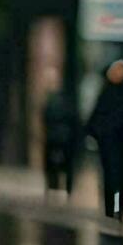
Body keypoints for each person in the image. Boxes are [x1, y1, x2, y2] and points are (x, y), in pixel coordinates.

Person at [85, 59, 123, 220]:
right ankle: (113, 207)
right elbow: (98, 113)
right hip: (111, 141)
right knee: (114, 177)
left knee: (117, 177)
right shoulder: (115, 89)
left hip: (119, 141)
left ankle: (117, 207)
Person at [40, 66, 77, 196]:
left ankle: (55, 187)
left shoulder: (54, 101)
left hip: (57, 137)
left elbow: (46, 118)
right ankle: (61, 188)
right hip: (61, 137)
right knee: (59, 165)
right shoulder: (63, 100)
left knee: (55, 164)